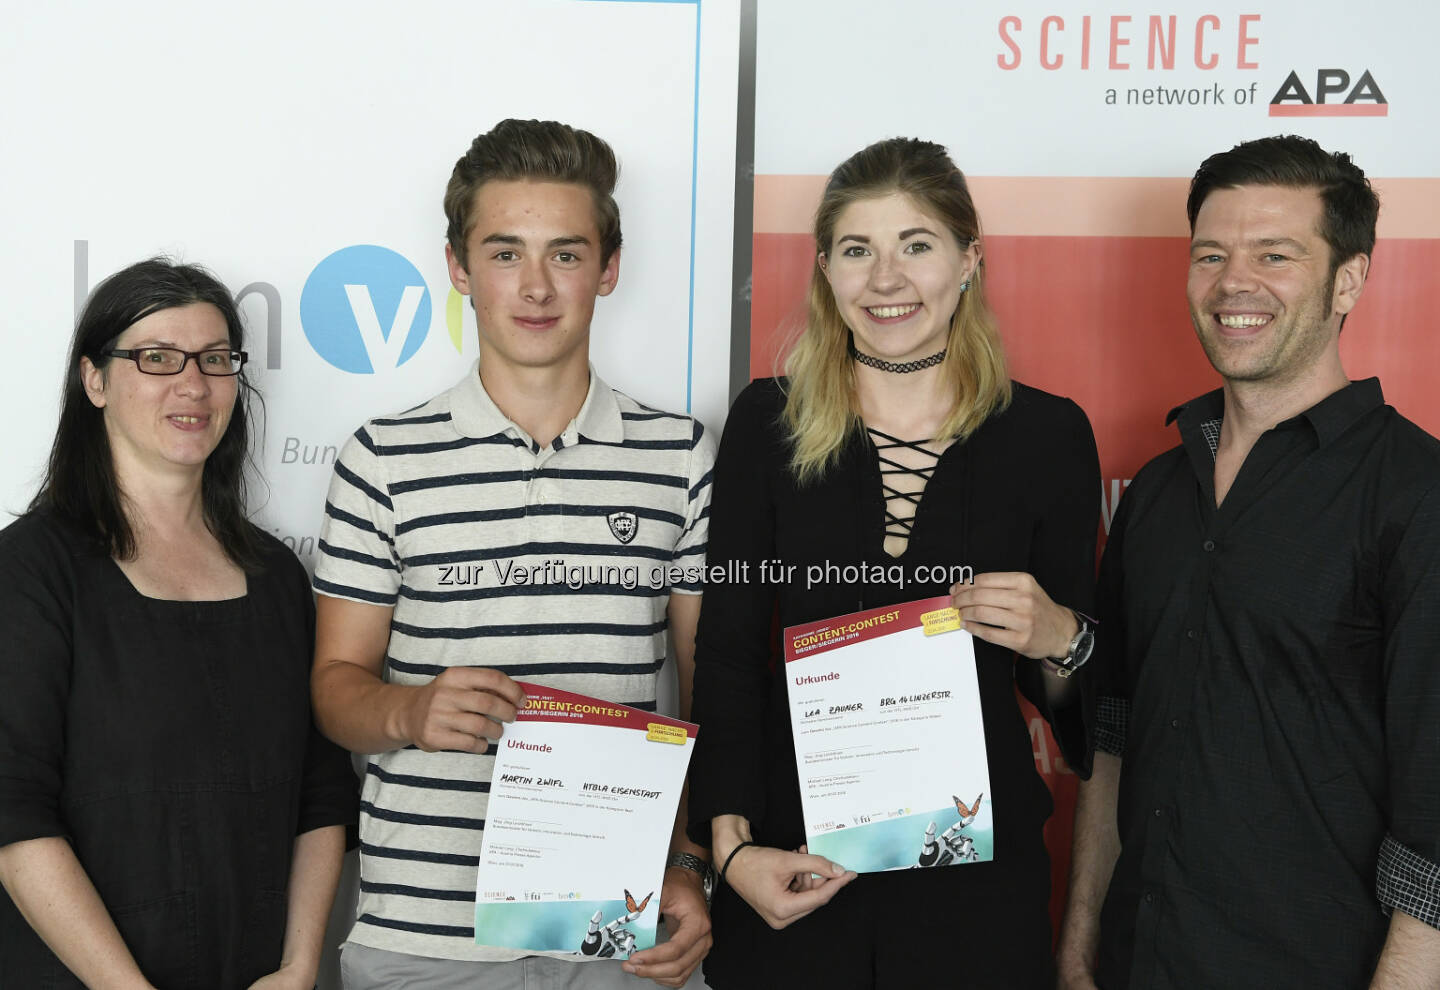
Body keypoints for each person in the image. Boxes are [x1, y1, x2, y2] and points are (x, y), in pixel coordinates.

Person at [309, 118, 717, 989]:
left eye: (566, 255)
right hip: (423, 945)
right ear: (458, 267)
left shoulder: (681, 456)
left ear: (609, 268)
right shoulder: (383, 457)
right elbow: (335, 686)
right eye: (504, 254)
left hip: (621, 937)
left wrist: (689, 865)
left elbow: (704, 681)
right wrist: (407, 714)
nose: (536, 287)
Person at [687, 136, 1101, 989]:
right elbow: (726, 655)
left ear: (968, 261)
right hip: (791, 874)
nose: (886, 279)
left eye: (916, 245)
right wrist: (731, 853)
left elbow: (1076, 707)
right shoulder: (769, 423)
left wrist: (1059, 638)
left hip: (976, 893)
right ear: (826, 271)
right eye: (857, 250)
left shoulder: (1049, 437)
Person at [1055, 135, 1440, 989]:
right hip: (1133, 963)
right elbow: (1114, 736)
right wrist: (1081, 944)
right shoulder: (1156, 491)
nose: (1235, 282)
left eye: (1277, 254)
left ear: (1349, 279)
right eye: (1212, 255)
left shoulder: (1417, 495)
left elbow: (1435, 815)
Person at [0, 259, 357, 989]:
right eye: (157, 358)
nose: (193, 385)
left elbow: (320, 793)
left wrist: (298, 967)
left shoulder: (277, 577)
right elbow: (10, 810)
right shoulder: (31, 568)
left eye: (216, 360)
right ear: (95, 381)